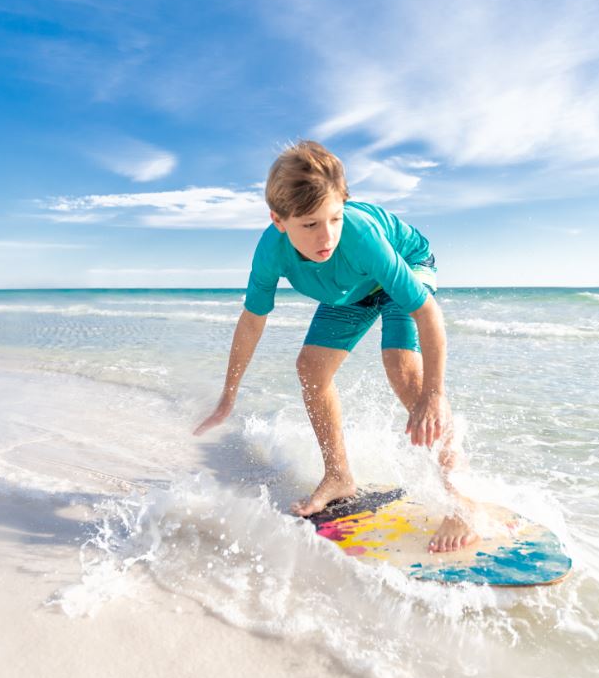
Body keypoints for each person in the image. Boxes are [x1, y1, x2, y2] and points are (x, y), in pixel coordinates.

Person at [193, 140, 478, 553]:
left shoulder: (361, 236)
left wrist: (433, 395)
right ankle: (339, 475)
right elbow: (252, 321)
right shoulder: (270, 254)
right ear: (278, 220)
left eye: (335, 218)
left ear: (345, 204)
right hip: (351, 289)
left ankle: (461, 497)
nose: (326, 236)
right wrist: (227, 397)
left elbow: (427, 313)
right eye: (309, 225)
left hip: (404, 265)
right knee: (311, 368)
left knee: (401, 368)